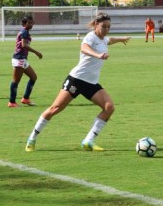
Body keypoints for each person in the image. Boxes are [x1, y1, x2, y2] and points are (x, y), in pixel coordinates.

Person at [25, 12, 130, 152]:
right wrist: (97, 54)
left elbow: (110, 40)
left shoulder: (103, 39)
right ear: (96, 25)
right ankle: (32, 138)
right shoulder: (90, 37)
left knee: (109, 107)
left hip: (91, 83)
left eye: (109, 27)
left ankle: (88, 141)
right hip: (76, 80)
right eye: (104, 26)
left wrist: (121, 38)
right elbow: (84, 48)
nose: (106, 29)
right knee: (55, 109)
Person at [8, 16, 43, 108]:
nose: (31, 24)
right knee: (16, 81)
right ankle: (11, 102)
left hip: (23, 59)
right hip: (19, 59)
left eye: (32, 23)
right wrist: (37, 52)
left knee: (33, 77)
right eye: (29, 23)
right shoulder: (24, 32)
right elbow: (24, 45)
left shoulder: (25, 31)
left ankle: (26, 98)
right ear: (24, 23)